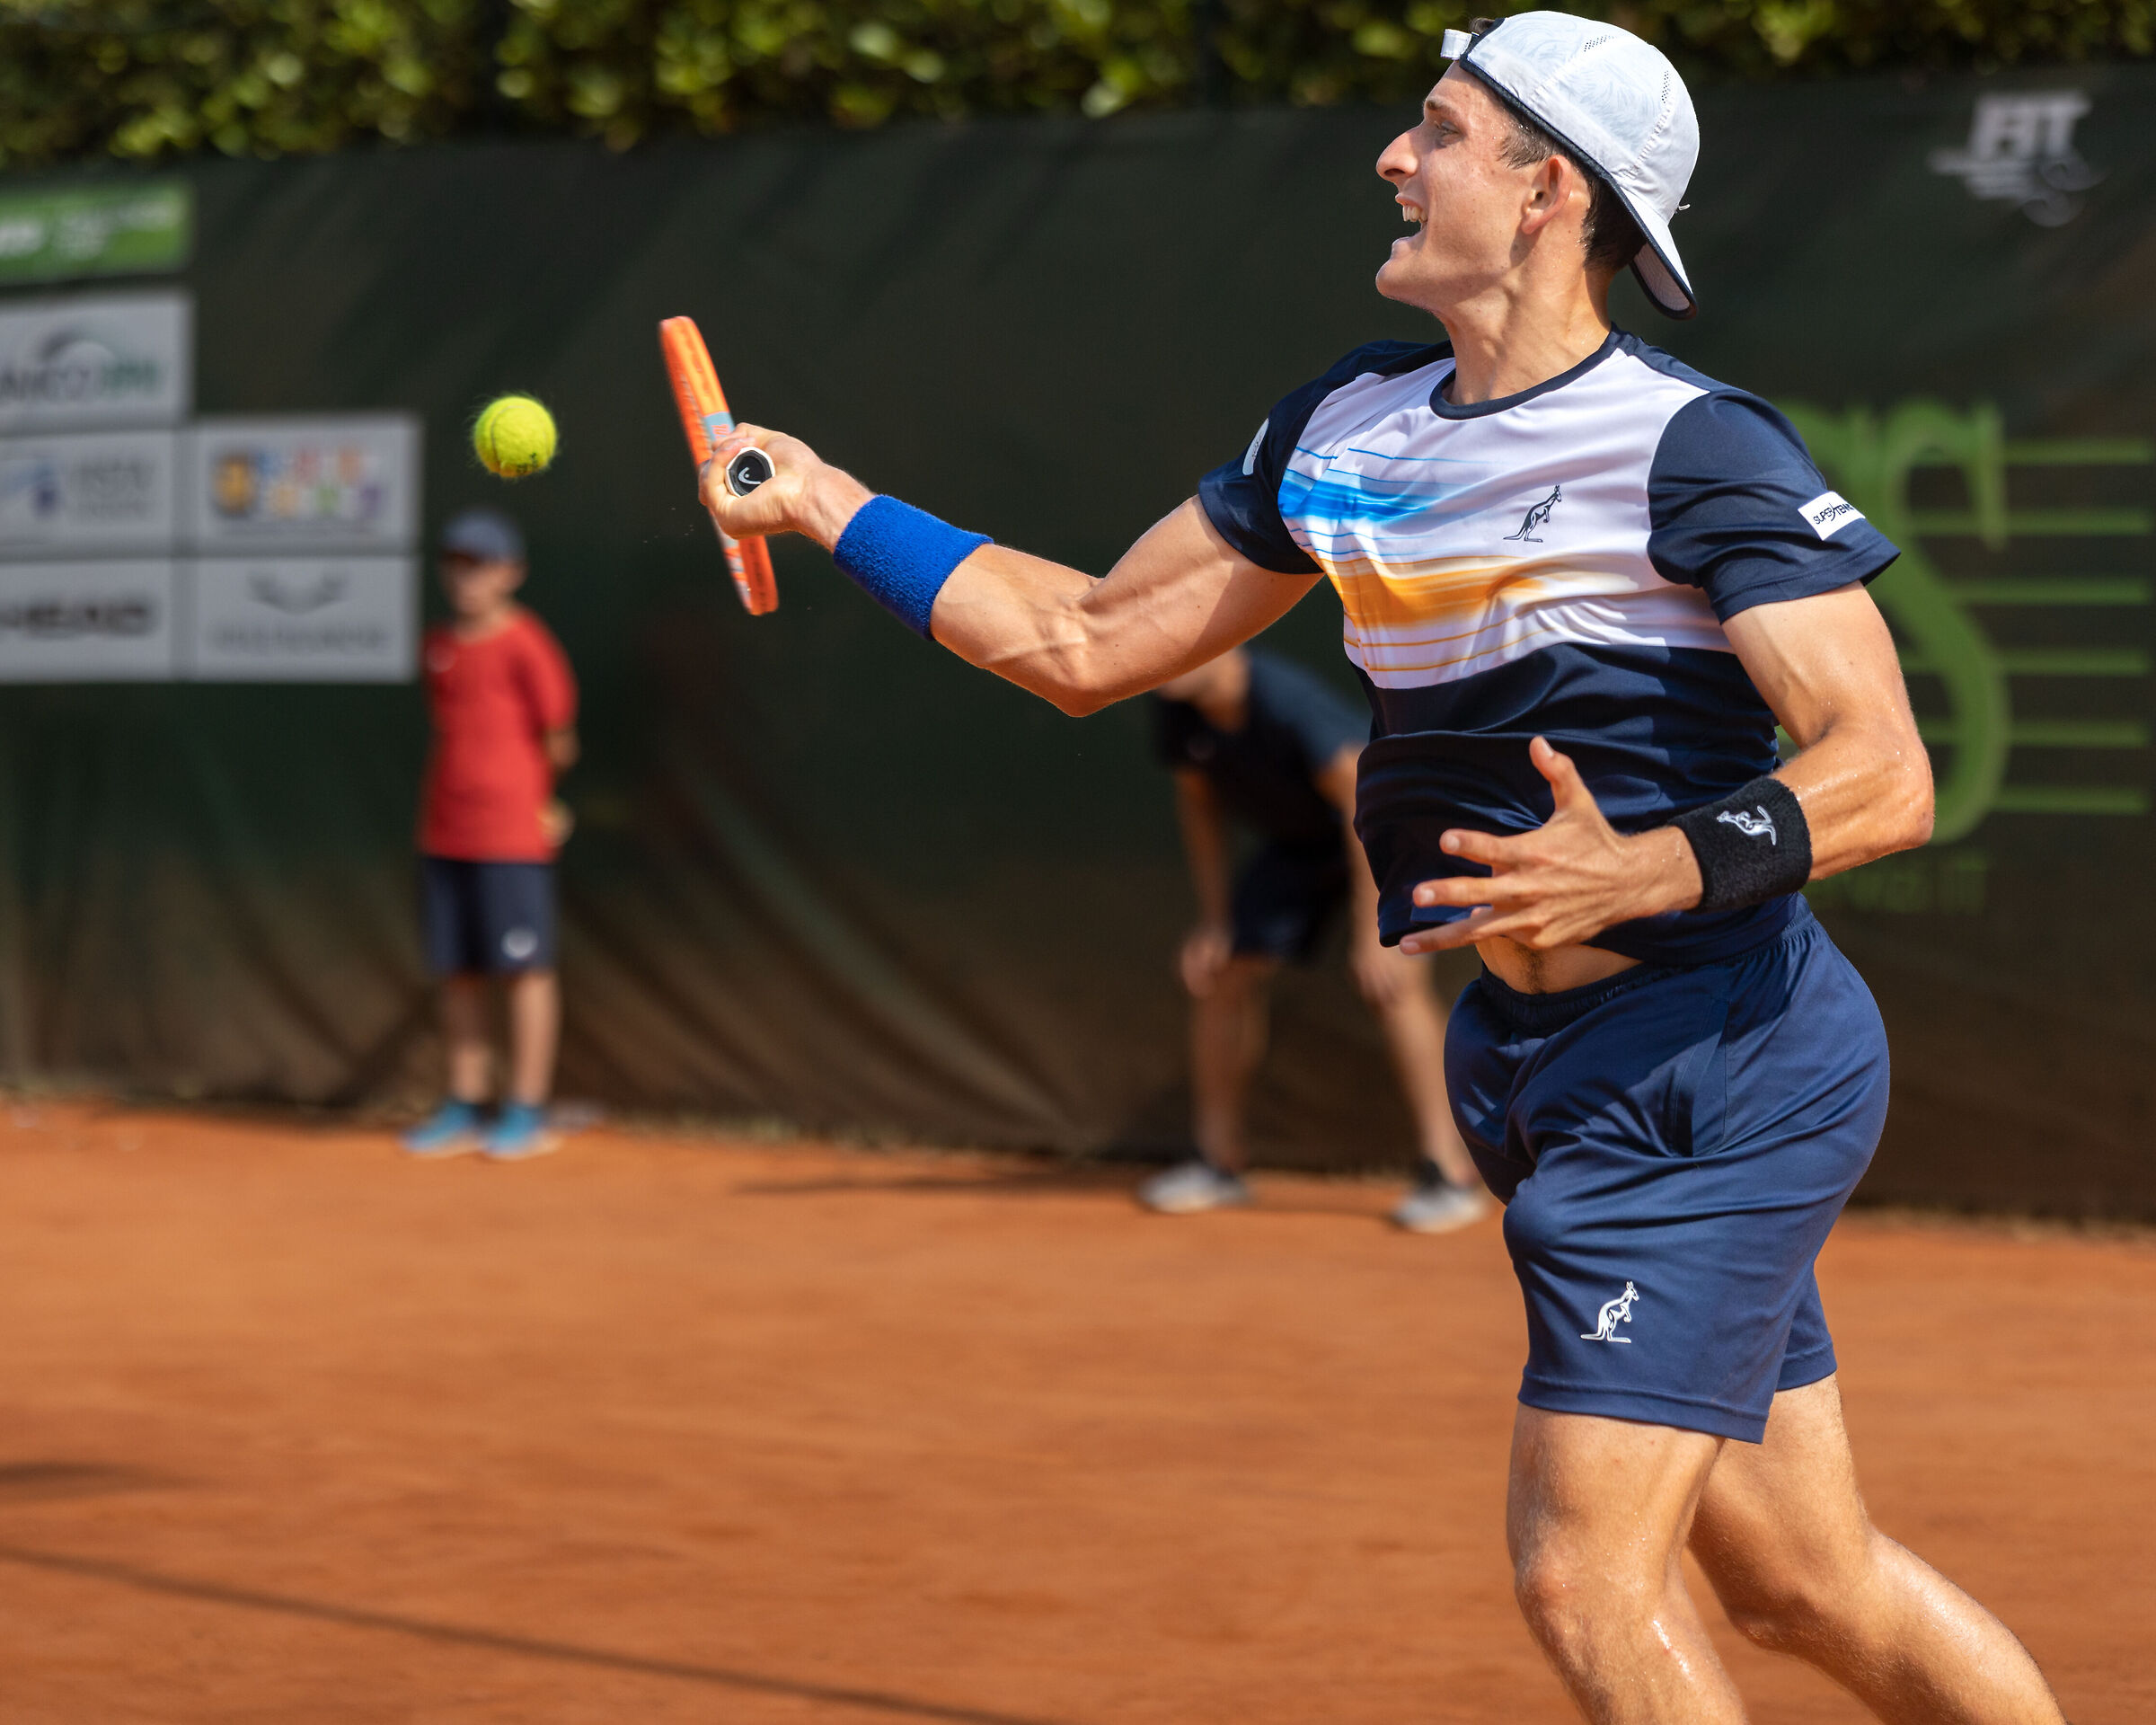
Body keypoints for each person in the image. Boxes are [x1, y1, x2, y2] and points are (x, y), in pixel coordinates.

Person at [697, 10, 2066, 1719]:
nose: (1394, 159)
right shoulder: (1341, 428)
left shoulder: (1688, 447)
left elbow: (1885, 770)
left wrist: (1644, 870)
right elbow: (1080, 637)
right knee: (1804, 1586)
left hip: (1713, 1064)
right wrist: (829, 499)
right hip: (1537, 1065)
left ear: (1547, 187)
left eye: (1438, 128)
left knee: (1582, 1577)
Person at [1142, 644, 1488, 1231]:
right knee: (1225, 972)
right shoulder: (1176, 703)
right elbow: (1199, 806)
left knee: (1393, 983)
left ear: (1224, 644)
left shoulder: (1283, 700)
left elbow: (1361, 803)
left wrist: (1371, 933)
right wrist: (1217, 920)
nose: (1163, 655)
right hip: (1304, 847)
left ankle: (1448, 1173)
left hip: (1385, 833)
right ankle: (1217, 1162)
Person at [402, 507, 578, 1163]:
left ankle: (527, 1109)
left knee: (526, 971)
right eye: (455, 561)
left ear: (511, 573)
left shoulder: (527, 644)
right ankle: (466, 1102)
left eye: (478, 563)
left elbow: (559, 741)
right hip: (444, 832)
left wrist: (535, 799)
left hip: (511, 836)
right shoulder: (438, 647)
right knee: (459, 973)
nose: (464, 576)